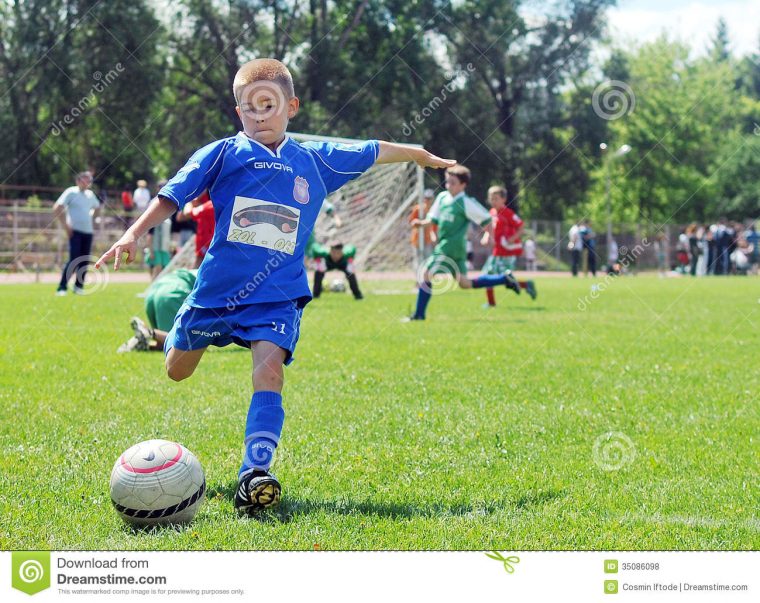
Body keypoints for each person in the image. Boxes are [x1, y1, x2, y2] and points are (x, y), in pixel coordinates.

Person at [95, 58, 454, 515]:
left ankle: (253, 475)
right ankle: (164, 339)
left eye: (268, 104)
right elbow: (172, 194)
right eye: (249, 107)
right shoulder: (222, 153)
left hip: (277, 294)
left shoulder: (315, 160)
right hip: (216, 293)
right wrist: (132, 233)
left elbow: (371, 149)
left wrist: (418, 153)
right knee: (177, 370)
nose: (259, 114)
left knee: (269, 373)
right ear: (238, 111)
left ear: (291, 106)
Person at [405, 165, 520, 320]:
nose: (448, 185)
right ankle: (505, 279)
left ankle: (419, 315)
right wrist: (421, 223)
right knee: (464, 283)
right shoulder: (442, 198)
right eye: (447, 182)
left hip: (449, 246)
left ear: (463, 185)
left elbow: (486, 218)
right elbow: (433, 219)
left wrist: (488, 236)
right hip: (455, 248)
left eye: (453, 182)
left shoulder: (465, 202)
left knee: (425, 274)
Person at [480, 186, 536, 307]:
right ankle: (491, 303)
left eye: (496, 198)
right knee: (488, 276)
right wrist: (485, 237)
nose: (493, 201)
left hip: (507, 252)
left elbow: (521, 227)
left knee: (503, 279)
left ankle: (526, 285)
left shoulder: (508, 213)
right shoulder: (491, 213)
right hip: (496, 251)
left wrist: (511, 239)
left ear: (503, 199)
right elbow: (488, 229)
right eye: (491, 198)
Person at [118, 269, 198, 353]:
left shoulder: (199, 269)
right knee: (185, 341)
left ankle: (140, 342)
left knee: (162, 342)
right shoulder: (211, 274)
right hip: (173, 293)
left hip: (154, 291)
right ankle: (150, 332)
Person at [53, 170, 100, 295]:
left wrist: (92, 218)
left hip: (88, 232)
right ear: (78, 181)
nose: (87, 182)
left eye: (89, 180)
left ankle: (79, 287)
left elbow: (97, 207)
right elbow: (57, 207)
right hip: (75, 232)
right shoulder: (71, 192)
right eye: (84, 179)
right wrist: (66, 226)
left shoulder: (90, 194)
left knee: (84, 260)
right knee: (73, 259)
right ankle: (62, 287)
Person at [177, 191, 215, 268]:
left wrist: (189, 202)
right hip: (202, 246)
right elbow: (180, 217)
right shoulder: (203, 204)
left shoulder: (211, 205)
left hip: (209, 247)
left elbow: (187, 213)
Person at [408, 188, 437, 270]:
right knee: (418, 260)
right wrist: (417, 222)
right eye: (426, 198)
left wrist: (434, 236)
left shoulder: (433, 210)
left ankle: (426, 279)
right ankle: (418, 279)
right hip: (417, 239)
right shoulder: (418, 209)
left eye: (429, 198)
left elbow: (434, 226)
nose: (427, 200)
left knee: (427, 260)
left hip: (427, 240)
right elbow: (411, 221)